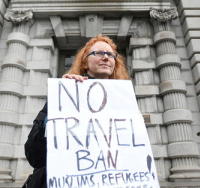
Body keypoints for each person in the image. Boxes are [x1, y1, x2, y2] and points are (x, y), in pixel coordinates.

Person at [23, 35, 129, 188]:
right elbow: (35, 156)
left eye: (111, 54)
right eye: (99, 53)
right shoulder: (65, 95)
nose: (106, 57)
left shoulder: (124, 103)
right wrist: (59, 104)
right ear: (85, 62)